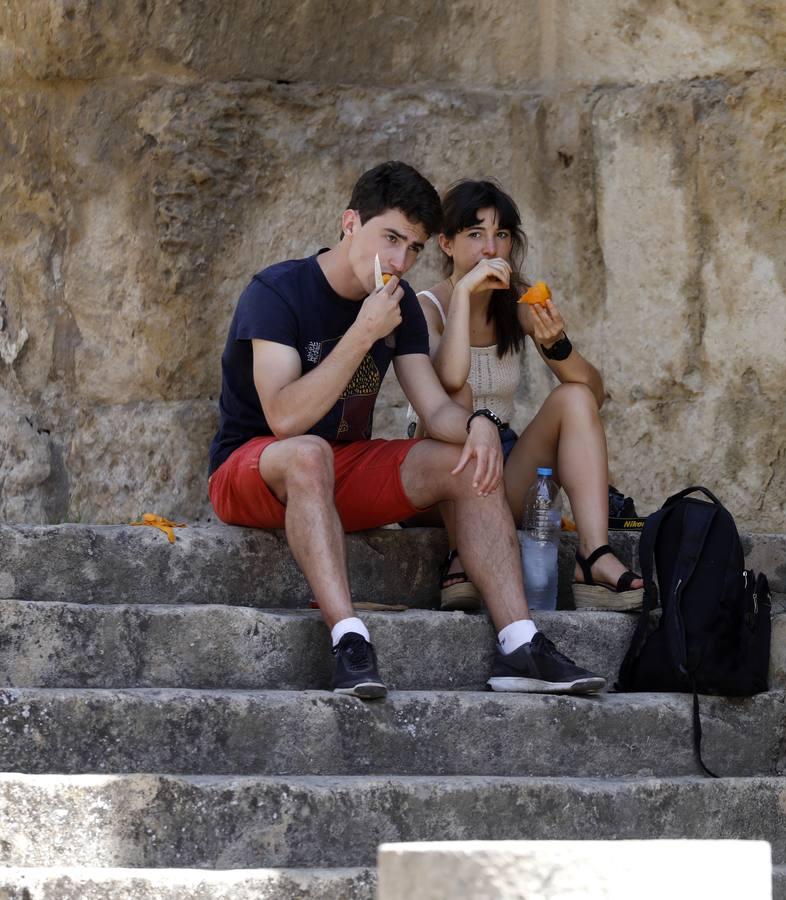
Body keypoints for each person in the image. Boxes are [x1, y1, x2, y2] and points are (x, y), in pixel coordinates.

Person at [206, 161, 604, 699]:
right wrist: (362, 332)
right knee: (306, 453)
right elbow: (284, 418)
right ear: (350, 224)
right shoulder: (278, 292)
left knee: (463, 459)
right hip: (255, 467)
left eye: (414, 247)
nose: (399, 260)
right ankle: (349, 641)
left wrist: (480, 425)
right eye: (389, 239)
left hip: (341, 468)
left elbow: (437, 411)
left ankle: (519, 642)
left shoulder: (399, 303)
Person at [405, 179, 642, 612]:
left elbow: (593, 393)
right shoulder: (426, 308)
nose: (491, 249)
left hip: (500, 472)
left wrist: (558, 345)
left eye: (502, 235)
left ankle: (593, 555)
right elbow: (449, 380)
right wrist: (462, 293)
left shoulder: (516, 303)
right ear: (446, 243)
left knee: (572, 398)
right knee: (463, 395)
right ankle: (461, 553)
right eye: (475, 235)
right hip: (434, 480)